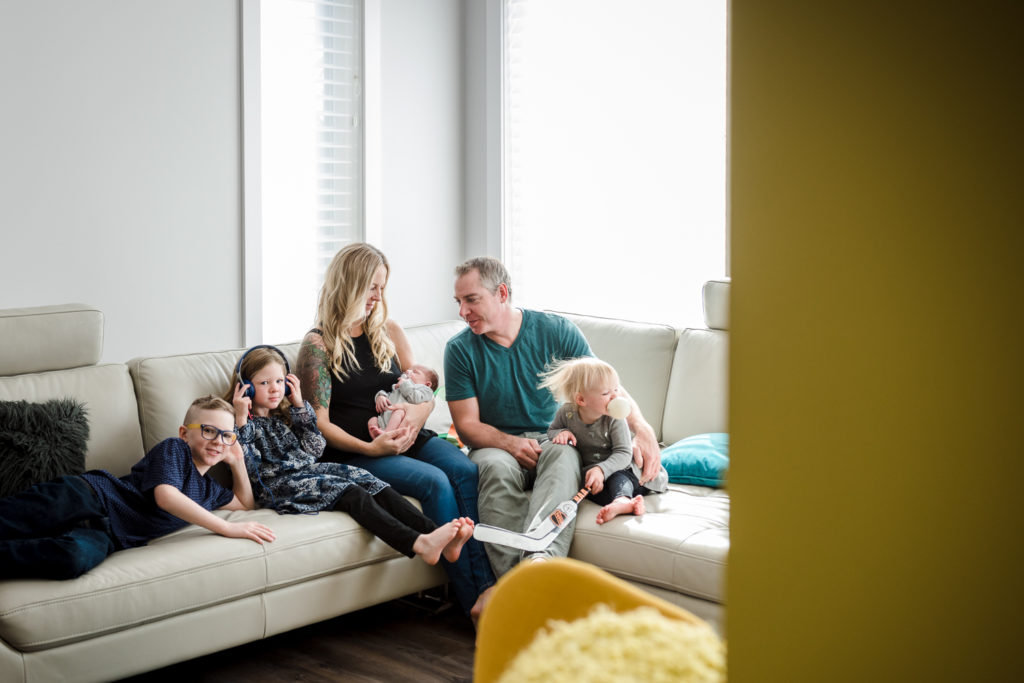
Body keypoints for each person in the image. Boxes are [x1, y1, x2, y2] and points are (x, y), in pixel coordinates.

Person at [443, 257, 663, 603]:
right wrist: (511, 444)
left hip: (556, 436)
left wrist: (643, 428)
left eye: (471, 300)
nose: (462, 311)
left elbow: (608, 389)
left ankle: (538, 564)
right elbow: (468, 427)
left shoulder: (556, 331)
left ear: (501, 293)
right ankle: (519, 590)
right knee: (495, 469)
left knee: (563, 454)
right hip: (495, 445)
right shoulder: (459, 351)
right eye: (458, 302)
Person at [296, 242, 495, 621]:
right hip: (358, 451)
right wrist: (373, 450)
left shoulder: (388, 330)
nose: (377, 296)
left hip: (406, 437)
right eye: (371, 287)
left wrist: (412, 423)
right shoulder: (318, 345)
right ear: (349, 283)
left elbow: (425, 392)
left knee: (466, 470)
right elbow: (319, 424)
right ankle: (475, 606)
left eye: (382, 288)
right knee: (435, 483)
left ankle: (488, 586)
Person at [226, 345, 474, 566]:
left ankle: (437, 535)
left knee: (366, 478)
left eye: (280, 382)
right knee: (350, 492)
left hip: (306, 472)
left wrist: (300, 406)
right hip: (277, 486)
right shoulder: (239, 426)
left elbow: (315, 450)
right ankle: (418, 543)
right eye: (264, 383)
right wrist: (240, 419)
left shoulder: (285, 415)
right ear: (246, 388)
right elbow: (248, 466)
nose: (275, 390)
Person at [0, 395, 275, 580]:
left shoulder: (209, 490)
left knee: (73, 558)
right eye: (208, 430)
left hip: (110, 536)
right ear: (184, 433)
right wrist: (226, 527)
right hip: (89, 495)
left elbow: (245, 503)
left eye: (226, 435)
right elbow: (166, 496)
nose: (217, 440)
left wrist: (238, 461)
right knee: (10, 519)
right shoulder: (174, 450)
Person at [539, 357, 668, 524]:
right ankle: (621, 502)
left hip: (626, 469)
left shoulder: (615, 418)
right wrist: (561, 432)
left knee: (619, 478)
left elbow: (623, 453)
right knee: (590, 487)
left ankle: (622, 500)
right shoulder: (567, 413)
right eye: (606, 393)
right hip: (595, 472)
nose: (615, 396)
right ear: (581, 400)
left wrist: (602, 469)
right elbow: (552, 430)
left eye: (616, 389)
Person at [367, 363, 439, 438]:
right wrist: (381, 396)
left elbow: (415, 399)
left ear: (427, 384)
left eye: (415, 372)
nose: (408, 371)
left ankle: (387, 435)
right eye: (409, 370)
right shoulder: (401, 386)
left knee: (399, 411)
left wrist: (405, 384)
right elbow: (391, 394)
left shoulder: (425, 390)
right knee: (372, 419)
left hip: (401, 421)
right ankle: (377, 436)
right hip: (384, 419)